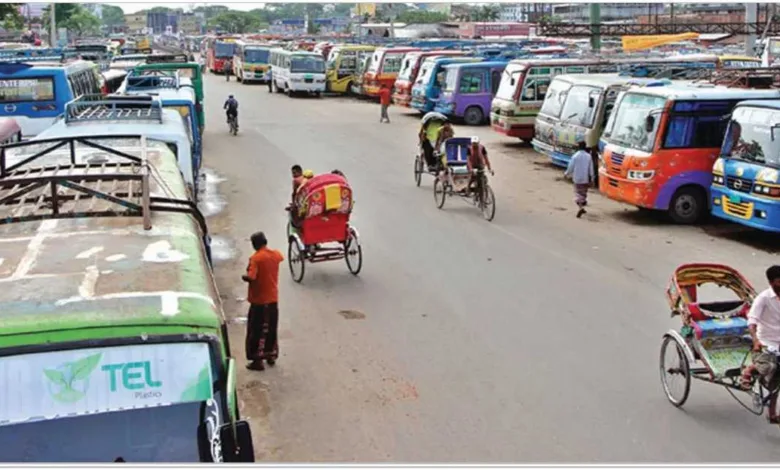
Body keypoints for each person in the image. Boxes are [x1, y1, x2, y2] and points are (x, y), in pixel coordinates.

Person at [741, 265, 780, 422]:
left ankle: (771, 414)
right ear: (771, 282)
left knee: (777, 380)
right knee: (770, 366)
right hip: (765, 343)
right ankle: (749, 369)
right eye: (779, 281)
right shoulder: (763, 298)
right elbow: (752, 321)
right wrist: (756, 340)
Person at [242, 232, 284, 371]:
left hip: (259, 300)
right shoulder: (275, 254)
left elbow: (252, 276)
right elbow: (280, 257)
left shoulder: (256, 258)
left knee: (256, 331)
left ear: (255, 244)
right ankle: (271, 355)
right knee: (271, 328)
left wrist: (245, 277)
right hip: (273, 299)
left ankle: (257, 361)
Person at [564, 141, 595, 219]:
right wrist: (592, 178)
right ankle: (582, 205)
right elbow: (591, 168)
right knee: (583, 193)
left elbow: (571, 167)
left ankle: (581, 208)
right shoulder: (588, 156)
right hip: (585, 179)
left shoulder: (575, 156)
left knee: (578, 193)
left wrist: (566, 174)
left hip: (577, 178)